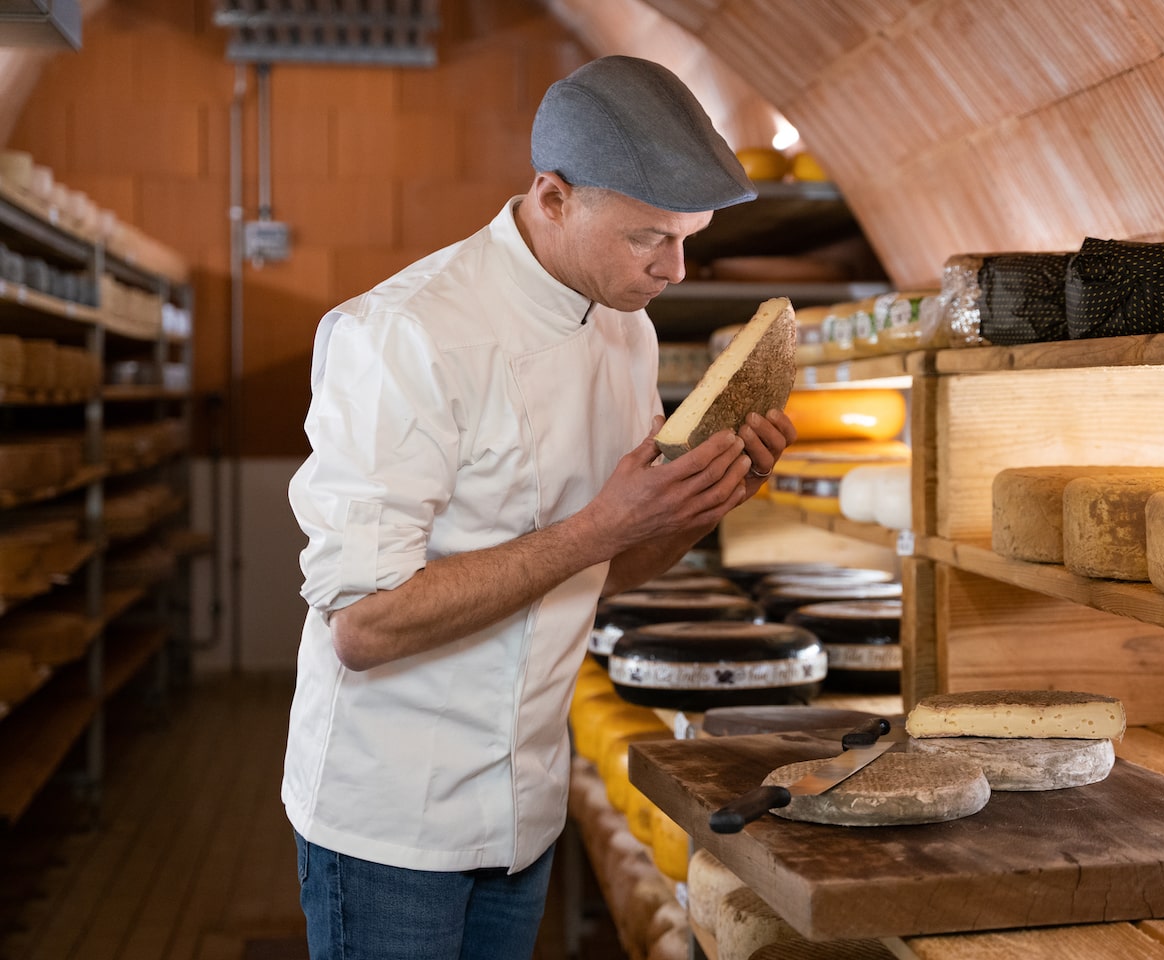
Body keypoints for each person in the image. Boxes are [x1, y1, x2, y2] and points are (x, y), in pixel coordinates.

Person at [282, 56, 795, 959]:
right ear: (552, 196)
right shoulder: (403, 335)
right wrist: (601, 525)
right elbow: (363, 624)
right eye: (650, 237)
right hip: (395, 819)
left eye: (689, 238)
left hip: (525, 805)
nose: (675, 269)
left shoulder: (626, 330)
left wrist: (699, 502)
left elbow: (606, 567)